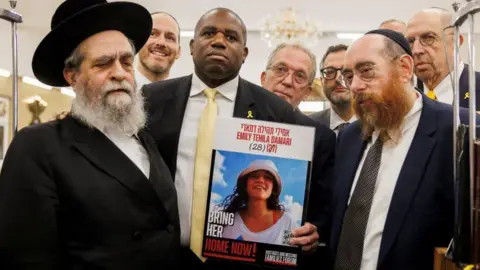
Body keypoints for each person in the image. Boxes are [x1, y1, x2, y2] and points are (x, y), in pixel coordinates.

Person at [0, 1, 180, 269]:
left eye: (126, 62)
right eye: (103, 63)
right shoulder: (38, 146)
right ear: (72, 76)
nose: (119, 73)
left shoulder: (145, 140)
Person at [143, 7, 319, 270]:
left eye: (231, 37)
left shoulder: (274, 110)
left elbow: (298, 182)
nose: (218, 41)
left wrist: (307, 229)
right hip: (163, 257)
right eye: (209, 33)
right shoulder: (151, 99)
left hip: (241, 260)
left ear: (245, 54)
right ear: (191, 47)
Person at [328, 29, 478, 270]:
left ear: (405, 69)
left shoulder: (460, 130)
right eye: (349, 76)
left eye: (366, 71)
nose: (355, 86)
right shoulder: (348, 136)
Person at [259, 42, 335, 247]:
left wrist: (314, 232)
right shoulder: (234, 121)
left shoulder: (321, 138)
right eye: (280, 69)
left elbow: (323, 208)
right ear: (263, 78)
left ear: (308, 92)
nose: (287, 81)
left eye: (299, 76)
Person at [407, 7, 480, 108]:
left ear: (456, 42)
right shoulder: (403, 98)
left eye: (429, 38)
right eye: (410, 41)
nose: (416, 50)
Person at [221, 160, 298, 246]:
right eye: (254, 176)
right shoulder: (230, 220)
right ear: (245, 185)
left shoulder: (287, 222)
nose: (260, 180)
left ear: (273, 188)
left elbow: (291, 253)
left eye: (267, 177)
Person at [310, 44, 356, 134]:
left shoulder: (378, 125)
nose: (339, 78)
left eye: (346, 71)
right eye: (330, 72)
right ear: (321, 81)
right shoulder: (308, 127)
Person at [136, 11, 181, 87]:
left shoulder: (187, 96)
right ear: (138, 43)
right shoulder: (114, 88)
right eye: (152, 34)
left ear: (178, 52)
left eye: (170, 38)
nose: (161, 42)